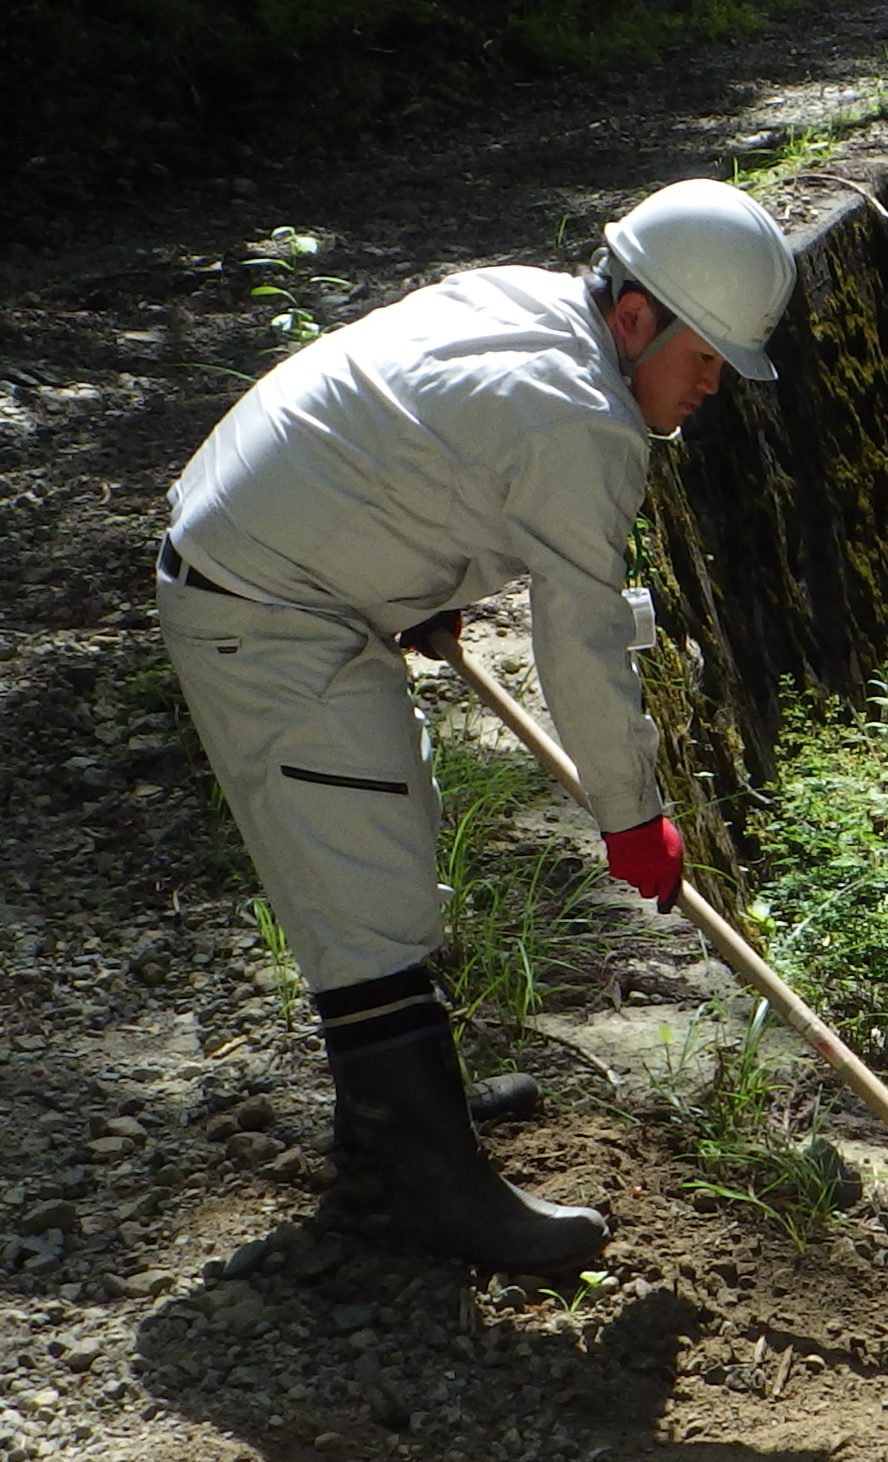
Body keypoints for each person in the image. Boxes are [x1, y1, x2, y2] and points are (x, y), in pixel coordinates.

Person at [154, 179, 794, 1274]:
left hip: (272, 559)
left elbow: (418, 440)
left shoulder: (538, 306)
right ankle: (424, 1192)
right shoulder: (582, 419)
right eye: (703, 361)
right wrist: (631, 816)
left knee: (388, 846)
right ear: (636, 319)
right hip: (266, 608)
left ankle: (400, 1132)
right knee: (369, 887)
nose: (709, 390)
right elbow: (582, 642)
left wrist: (417, 571)